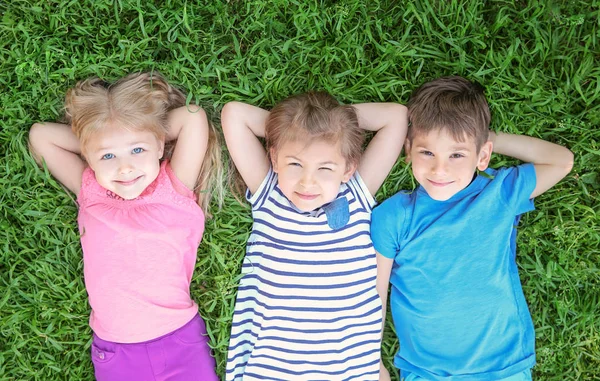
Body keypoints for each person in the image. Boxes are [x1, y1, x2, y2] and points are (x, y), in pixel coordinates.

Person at [372, 76, 574, 381]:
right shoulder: (393, 216)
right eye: (427, 152)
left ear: (482, 155)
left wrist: (486, 139)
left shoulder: (499, 194)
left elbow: (561, 162)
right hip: (427, 372)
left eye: (457, 154)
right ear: (409, 149)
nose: (440, 170)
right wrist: (372, 360)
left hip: (502, 367)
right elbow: (374, 295)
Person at [28, 72, 222, 381]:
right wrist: (98, 134)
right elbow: (40, 136)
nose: (125, 166)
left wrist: (143, 128)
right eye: (107, 155)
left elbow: (192, 116)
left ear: (160, 146)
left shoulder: (175, 186)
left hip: (179, 340)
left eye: (137, 149)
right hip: (117, 351)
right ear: (89, 158)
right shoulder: (90, 191)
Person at [222, 92, 408, 380]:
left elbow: (396, 117)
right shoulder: (270, 193)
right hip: (273, 366)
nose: (307, 182)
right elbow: (234, 114)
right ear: (274, 158)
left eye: (325, 168)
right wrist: (298, 124)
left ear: (347, 169)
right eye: (295, 164)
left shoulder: (355, 194)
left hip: (347, 368)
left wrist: (335, 122)